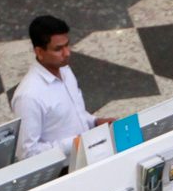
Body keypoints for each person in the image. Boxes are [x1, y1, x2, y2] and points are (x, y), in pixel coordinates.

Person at [13, 14, 106, 155]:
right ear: (39, 52)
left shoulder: (65, 70)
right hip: (65, 170)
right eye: (58, 49)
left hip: (88, 154)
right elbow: (27, 153)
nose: (67, 53)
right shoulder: (28, 96)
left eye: (67, 45)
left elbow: (74, 114)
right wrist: (74, 143)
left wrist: (95, 122)